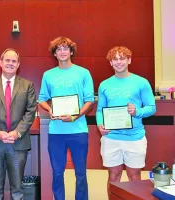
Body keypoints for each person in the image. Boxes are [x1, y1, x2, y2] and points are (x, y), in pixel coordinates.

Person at [96, 46, 156, 197]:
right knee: (113, 177)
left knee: (134, 178)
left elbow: (151, 107)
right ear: (110, 63)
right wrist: (100, 124)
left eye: (122, 58)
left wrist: (137, 111)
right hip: (111, 138)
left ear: (129, 60)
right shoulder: (104, 85)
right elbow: (99, 110)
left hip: (135, 138)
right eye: (115, 59)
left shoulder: (141, 82)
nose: (118, 62)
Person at [38, 37, 94, 200]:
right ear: (54, 54)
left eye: (65, 48)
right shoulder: (48, 75)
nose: (62, 52)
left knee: (81, 173)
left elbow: (89, 99)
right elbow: (41, 98)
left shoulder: (83, 73)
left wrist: (75, 116)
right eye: (58, 49)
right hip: (56, 131)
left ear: (71, 51)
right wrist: (49, 109)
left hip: (78, 130)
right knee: (57, 173)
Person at [0, 48, 37, 200]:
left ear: (18, 64)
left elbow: (30, 111)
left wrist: (17, 132)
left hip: (18, 143)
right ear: (1, 62)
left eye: (14, 61)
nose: (10, 64)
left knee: (17, 191)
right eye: (7, 60)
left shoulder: (28, 86)